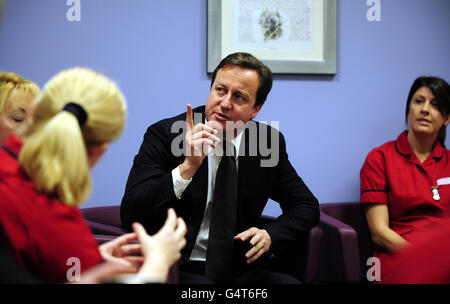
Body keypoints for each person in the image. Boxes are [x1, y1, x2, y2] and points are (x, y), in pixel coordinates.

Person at [121, 52, 320, 284]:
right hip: (177, 267)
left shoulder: (266, 143)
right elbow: (131, 213)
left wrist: (270, 235)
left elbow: (306, 205)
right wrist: (187, 167)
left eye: (239, 97)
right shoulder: (168, 135)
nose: (225, 104)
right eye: (220, 90)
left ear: (256, 109)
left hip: (239, 268)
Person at [0, 68, 186, 283]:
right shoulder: (47, 207)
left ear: (34, 114)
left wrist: (89, 258)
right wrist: (158, 262)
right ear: (101, 149)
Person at [360, 76, 450, 283]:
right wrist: (425, 258)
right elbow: (379, 232)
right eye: (419, 101)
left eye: (435, 104)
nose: (425, 109)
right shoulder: (380, 158)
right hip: (398, 258)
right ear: (409, 108)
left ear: (447, 118)